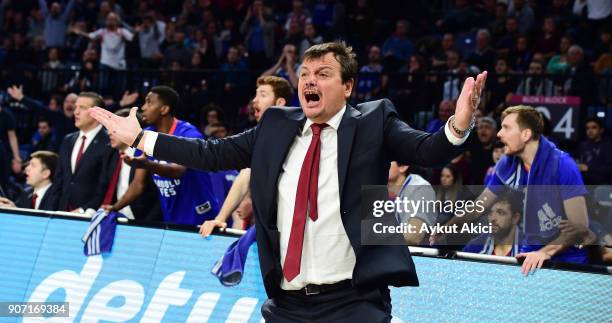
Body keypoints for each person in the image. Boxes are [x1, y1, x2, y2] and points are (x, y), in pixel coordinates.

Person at [90, 41, 486, 321]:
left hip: (354, 301)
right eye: (305, 73)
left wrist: (460, 123)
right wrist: (141, 137)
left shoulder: (373, 122)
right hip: (287, 304)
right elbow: (209, 155)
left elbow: (429, 150)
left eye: (323, 74)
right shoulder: (277, 125)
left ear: (347, 87)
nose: (309, 80)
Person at [432, 105, 590, 275]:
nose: (499, 134)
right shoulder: (507, 164)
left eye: (506, 128)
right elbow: (479, 207)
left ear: (526, 134)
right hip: (529, 254)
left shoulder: (563, 165)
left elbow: (580, 227)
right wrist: (446, 228)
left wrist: (545, 253)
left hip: (567, 261)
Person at [107, 86, 221, 225]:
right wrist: (114, 208)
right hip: (170, 214)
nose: (143, 107)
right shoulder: (146, 135)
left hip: (199, 213)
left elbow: (178, 171)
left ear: (164, 109)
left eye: (149, 102)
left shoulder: (188, 134)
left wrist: (147, 164)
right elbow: (138, 184)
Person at [200, 75, 293, 236]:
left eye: (263, 95)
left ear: (280, 103)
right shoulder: (261, 136)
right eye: (256, 95)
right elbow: (245, 176)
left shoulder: (296, 134)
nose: (254, 101)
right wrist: (220, 218)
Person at [50, 92, 113, 212]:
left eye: (82, 108)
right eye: (75, 108)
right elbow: (59, 180)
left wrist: (84, 209)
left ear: (97, 114)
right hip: (62, 213)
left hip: (89, 216)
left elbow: (105, 185)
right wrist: (53, 211)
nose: (76, 112)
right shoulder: (68, 139)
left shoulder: (109, 143)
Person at [100, 109, 162, 222]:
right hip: (117, 220)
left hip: (145, 222)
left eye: (115, 127)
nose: (109, 132)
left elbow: (156, 196)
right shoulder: (110, 156)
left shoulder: (148, 154)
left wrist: (148, 224)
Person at [389, 161, 437, 246]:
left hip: (417, 255)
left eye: (387, 161)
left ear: (403, 167)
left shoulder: (421, 188)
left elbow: (412, 237)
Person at [576, 117, 612, 185]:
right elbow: (578, 161)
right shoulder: (583, 146)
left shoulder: (608, 146)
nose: (590, 131)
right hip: (584, 182)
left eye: (594, 127)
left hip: (602, 183)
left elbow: (609, 169)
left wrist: (588, 168)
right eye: (587, 128)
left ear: (601, 130)